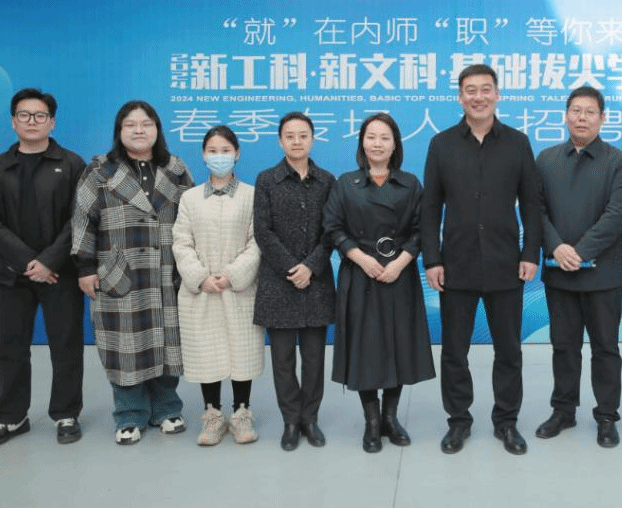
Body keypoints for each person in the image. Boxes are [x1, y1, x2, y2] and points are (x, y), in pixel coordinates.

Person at [420, 64, 542, 455]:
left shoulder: (518, 143)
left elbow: (532, 205)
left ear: (497, 94)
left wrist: (530, 253)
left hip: (507, 264)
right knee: (455, 351)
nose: (478, 97)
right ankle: (458, 421)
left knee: (509, 351)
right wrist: (432, 259)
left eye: (485, 89)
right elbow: (430, 208)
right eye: (470, 90)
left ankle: (506, 421)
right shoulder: (441, 145)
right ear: (460, 97)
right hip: (455, 265)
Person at [72, 100, 194, 445]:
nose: (139, 130)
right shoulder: (100, 170)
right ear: (119, 131)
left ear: (157, 129)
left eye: (146, 123)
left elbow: (192, 217)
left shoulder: (175, 169)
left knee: (167, 343)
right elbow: (82, 219)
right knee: (124, 346)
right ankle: (129, 414)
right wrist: (84, 266)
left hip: (166, 271)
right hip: (119, 271)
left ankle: (167, 408)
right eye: (130, 124)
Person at [0, 88, 87, 449]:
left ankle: (66, 414)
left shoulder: (73, 165)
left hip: (60, 273)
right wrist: (28, 262)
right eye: (24, 115)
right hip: (11, 274)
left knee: (66, 346)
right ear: (13, 121)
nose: (32, 121)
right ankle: (10, 418)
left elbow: (79, 219)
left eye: (40, 115)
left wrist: (49, 261)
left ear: (52, 122)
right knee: (11, 348)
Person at [323, 113, 435, 453]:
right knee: (365, 349)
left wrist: (400, 263)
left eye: (385, 138)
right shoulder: (346, 183)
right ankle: (371, 421)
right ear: (362, 142)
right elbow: (332, 226)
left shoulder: (410, 184)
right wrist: (361, 258)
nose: (377, 144)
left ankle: (390, 417)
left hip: (399, 275)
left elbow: (423, 229)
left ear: (395, 144)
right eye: (371, 137)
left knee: (398, 345)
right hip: (361, 275)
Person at [533, 86, 622, 448]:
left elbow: (616, 215)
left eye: (590, 112)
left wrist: (579, 251)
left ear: (602, 118)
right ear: (565, 115)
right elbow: (536, 210)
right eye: (576, 110)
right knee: (563, 346)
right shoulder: (546, 159)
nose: (582, 118)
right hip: (558, 272)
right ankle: (563, 410)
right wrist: (557, 247)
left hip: (602, 275)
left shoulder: (618, 161)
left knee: (605, 348)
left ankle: (606, 416)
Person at [173, 126, 263, 446]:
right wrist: (200, 277)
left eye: (225, 150)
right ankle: (212, 415)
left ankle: (241, 414)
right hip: (202, 290)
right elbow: (181, 242)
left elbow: (257, 241)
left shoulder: (253, 195)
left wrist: (233, 275)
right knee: (206, 354)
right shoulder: (190, 198)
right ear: (203, 155)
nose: (219, 156)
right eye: (212, 150)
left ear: (237, 153)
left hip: (239, 289)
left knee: (242, 353)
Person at [253, 112, 336, 452]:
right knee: (283, 359)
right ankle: (290, 420)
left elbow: (332, 230)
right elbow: (263, 231)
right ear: (280, 140)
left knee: (314, 359)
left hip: (316, 283)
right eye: (290, 135)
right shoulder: (267, 180)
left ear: (312, 139)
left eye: (303, 135)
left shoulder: (327, 181)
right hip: (279, 283)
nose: (297, 141)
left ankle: (310, 418)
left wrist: (311, 267)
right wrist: (292, 268)